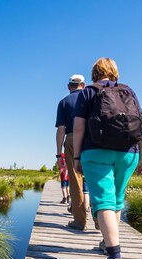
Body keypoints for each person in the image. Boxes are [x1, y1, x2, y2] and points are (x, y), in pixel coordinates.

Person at [72, 58, 142, 259]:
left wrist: (76, 157)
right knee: (116, 198)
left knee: (104, 200)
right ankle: (107, 243)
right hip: (128, 152)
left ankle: (115, 257)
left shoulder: (88, 92)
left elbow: (79, 127)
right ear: (115, 72)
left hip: (95, 151)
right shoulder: (128, 91)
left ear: (94, 73)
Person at [55, 74, 89, 230]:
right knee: (94, 177)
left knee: (75, 180)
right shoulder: (91, 98)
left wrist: (58, 154)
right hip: (91, 138)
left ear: (69, 87)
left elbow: (61, 130)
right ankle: (99, 220)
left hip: (71, 138)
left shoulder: (63, 102)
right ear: (84, 85)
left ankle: (80, 221)